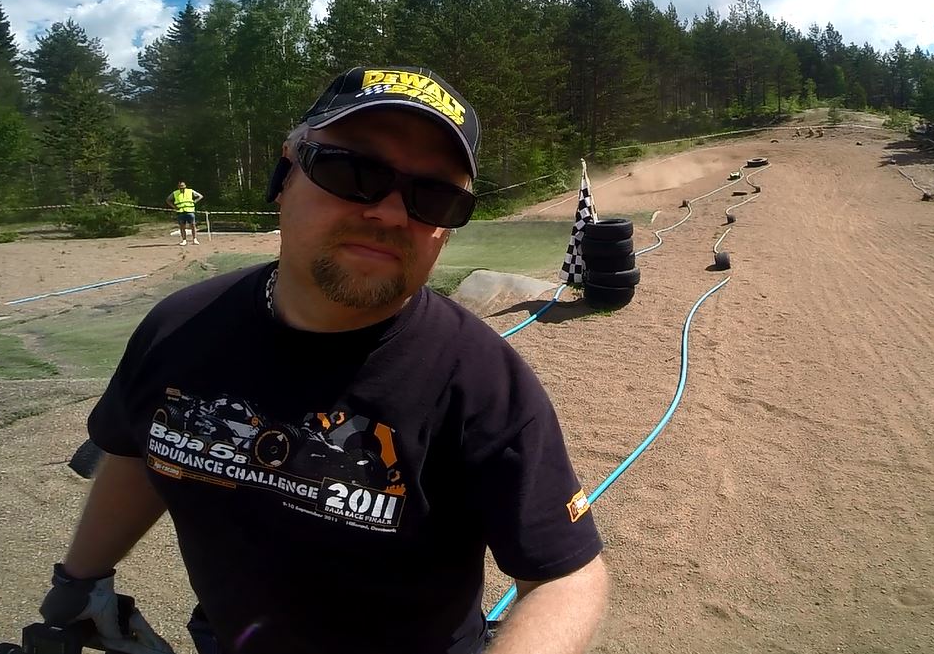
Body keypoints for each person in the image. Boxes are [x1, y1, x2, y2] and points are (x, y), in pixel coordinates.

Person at [39, 66, 609, 654]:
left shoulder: (481, 380)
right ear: (285, 173)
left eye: (434, 196)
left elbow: (565, 576)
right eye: (353, 171)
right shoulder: (179, 328)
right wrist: (82, 579)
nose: (391, 213)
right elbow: (142, 449)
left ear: (447, 229)